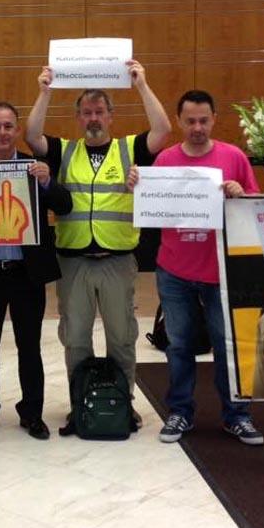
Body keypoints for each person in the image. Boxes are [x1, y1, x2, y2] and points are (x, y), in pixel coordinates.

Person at [24, 60, 171, 427]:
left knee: (122, 336)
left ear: (111, 116)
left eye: (99, 112)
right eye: (86, 112)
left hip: (117, 261)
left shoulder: (131, 148)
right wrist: (44, 91)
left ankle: (124, 401)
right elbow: (31, 135)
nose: (93, 118)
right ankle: (81, 403)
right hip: (73, 262)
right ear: (78, 118)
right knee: (75, 338)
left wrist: (141, 84)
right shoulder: (63, 151)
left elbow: (164, 129)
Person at [147, 90, 264, 446]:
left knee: (226, 344)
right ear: (180, 121)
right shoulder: (165, 160)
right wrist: (138, 187)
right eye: (190, 121)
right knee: (179, 345)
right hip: (175, 270)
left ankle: (237, 415)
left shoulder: (233, 157)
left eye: (203, 120)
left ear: (214, 119)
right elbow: (149, 205)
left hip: (221, 272)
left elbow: (257, 202)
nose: (197, 128)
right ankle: (180, 412)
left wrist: (240, 194)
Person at [0, 102, 72, 441]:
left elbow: (65, 205)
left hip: (26, 274)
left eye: (9, 126)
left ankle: (32, 413)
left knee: (29, 346)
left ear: (16, 129)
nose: (2, 133)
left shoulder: (34, 167)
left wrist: (47, 182)